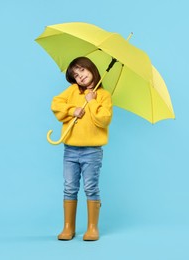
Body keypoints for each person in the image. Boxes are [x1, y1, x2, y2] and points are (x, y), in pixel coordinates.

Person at [51, 57, 113, 241]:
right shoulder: (72, 91)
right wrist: (72, 110)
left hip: (92, 151)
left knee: (90, 187)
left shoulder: (103, 95)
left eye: (82, 71)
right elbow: (56, 103)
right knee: (69, 187)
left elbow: (103, 120)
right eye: (76, 75)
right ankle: (68, 227)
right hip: (70, 150)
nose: (80, 76)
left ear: (91, 69)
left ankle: (92, 228)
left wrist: (91, 101)